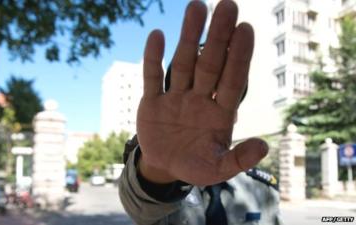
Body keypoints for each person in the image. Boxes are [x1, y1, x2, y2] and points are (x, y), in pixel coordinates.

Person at [119, 0, 283, 224]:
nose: (203, 109)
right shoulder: (156, 183)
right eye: (192, 91)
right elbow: (140, 205)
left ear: (234, 115)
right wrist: (159, 172)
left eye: (219, 98)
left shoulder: (261, 188)